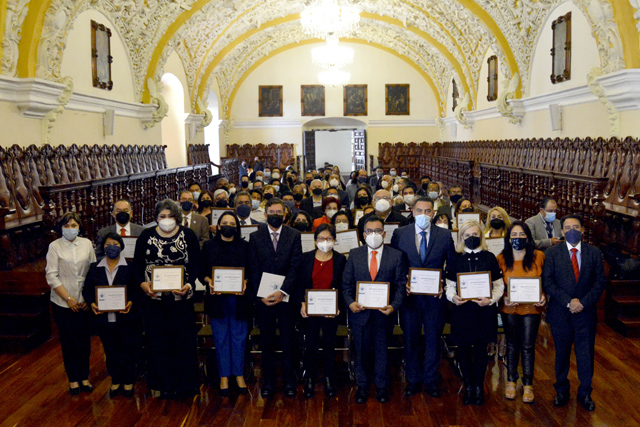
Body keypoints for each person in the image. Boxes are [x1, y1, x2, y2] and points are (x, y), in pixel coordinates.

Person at [133, 199, 200, 399]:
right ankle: (162, 383)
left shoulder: (188, 235)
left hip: (181, 299)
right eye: (162, 216)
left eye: (171, 216)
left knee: (183, 340)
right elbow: (137, 265)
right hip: (154, 300)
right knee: (157, 341)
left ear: (177, 217)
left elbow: (196, 264)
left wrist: (188, 285)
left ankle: (185, 384)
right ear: (155, 218)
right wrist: (143, 284)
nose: (167, 220)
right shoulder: (146, 235)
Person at [391, 197, 456, 397]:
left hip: (434, 299)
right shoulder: (400, 234)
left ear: (433, 213)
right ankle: (412, 380)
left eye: (428, 211)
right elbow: (394, 264)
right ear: (412, 211)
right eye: (419, 211)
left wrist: (442, 284)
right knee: (410, 339)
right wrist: (404, 283)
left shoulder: (444, 235)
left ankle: (431, 380)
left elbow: (451, 268)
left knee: (433, 340)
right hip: (410, 298)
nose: (423, 215)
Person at [542, 214, 607, 411]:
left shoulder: (594, 252)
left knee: (585, 354)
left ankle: (585, 393)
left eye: (576, 227)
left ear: (583, 230)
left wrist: (583, 303)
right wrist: (568, 301)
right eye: (568, 227)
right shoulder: (552, 253)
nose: (572, 231)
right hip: (560, 312)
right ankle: (561, 391)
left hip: (585, 313)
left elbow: (600, 282)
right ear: (561, 231)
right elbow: (548, 282)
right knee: (561, 354)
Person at [342, 215, 407, 404]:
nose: (374, 234)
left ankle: (381, 387)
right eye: (369, 231)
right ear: (363, 234)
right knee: (361, 352)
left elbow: (401, 285)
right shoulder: (354, 254)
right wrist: (350, 303)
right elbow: (346, 284)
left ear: (384, 233)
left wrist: (394, 306)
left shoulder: (396, 255)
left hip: (383, 314)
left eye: (378, 231)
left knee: (382, 352)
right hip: (359, 313)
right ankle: (362, 387)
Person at [248, 198, 303, 398]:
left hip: (286, 298)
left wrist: (283, 291)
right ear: (265, 214)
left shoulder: (294, 235)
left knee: (289, 341)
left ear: (285, 214)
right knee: (267, 342)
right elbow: (253, 269)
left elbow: (295, 267)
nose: (275, 215)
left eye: (279, 211)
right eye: (271, 211)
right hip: (264, 299)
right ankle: (268, 382)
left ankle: (290, 381)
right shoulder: (255, 237)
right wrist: (260, 295)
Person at [445, 220, 504, 405]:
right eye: (468, 235)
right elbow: (448, 286)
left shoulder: (489, 257)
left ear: (481, 235)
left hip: (483, 311)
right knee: (463, 349)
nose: (472, 238)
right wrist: (453, 297)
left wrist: (491, 299)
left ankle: (479, 385)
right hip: (462, 311)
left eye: (476, 234)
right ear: (462, 237)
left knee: (481, 350)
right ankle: (468, 385)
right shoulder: (455, 258)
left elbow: (499, 285)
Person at [45, 212, 97, 395]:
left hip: (84, 302)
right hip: (62, 302)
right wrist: (69, 299)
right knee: (69, 342)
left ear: (79, 227)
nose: (70, 229)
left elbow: (92, 271)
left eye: (73, 225)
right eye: (66, 226)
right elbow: (51, 275)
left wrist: (86, 299)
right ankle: (73, 379)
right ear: (61, 228)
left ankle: (84, 377)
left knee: (84, 342)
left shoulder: (87, 244)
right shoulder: (54, 246)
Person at [200, 211, 250, 396]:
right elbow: (201, 270)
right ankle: (223, 376)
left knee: (239, 338)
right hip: (217, 300)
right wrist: (208, 280)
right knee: (221, 339)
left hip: (239, 300)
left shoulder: (245, 246)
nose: (228, 226)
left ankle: (238, 374)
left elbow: (252, 270)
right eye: (224, 223)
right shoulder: (209, 246)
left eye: (232, 223)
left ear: (236, 227)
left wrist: (246, 282)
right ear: (218, 226)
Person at [82, 232, 137, 398]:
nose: (111, 246)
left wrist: (131, 302)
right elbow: (87, 289)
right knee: (110, 350)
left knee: (127, 349)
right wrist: (91, 303)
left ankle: (128, 381)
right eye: (107, 244)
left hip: (126, 317)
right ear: (103, 247)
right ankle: (115, 380)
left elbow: (135, 290)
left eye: (115, 243)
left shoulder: (130, 267)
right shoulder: (94, 267)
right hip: (103, 319)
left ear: (121, 245)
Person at [497, 221, 546, 403]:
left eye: (521, 235)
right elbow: (497, 284)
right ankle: (510, 381)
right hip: (509, 308)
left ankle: (528, 384)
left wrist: (544, 295)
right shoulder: (501, 258)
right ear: (508, 239)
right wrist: (504, 297)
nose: (518, 239)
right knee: (511, 344)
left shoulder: (538, 256)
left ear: (528, 237)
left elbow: (545, 280)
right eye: (514, 236)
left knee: (527, 346)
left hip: (532, 308)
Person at [299, 224, 347, 398]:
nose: (325, 242)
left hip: (330, 311)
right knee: (310, 345)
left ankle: (329, 378)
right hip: (309, 310)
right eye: (321, 239)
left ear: (334, 240)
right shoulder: (305, 259)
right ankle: (309, 379)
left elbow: (344, 286)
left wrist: (337, 306)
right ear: (314, 241)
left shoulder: (341, 260)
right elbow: (299, 285)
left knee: (329, 345)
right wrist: (302, 303)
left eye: (328, 239)